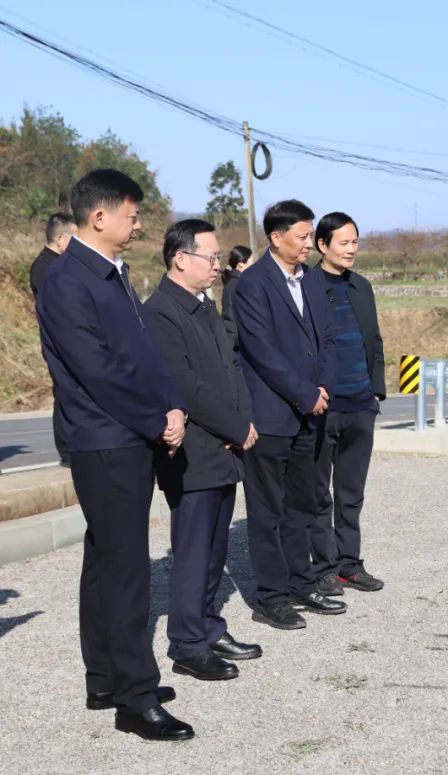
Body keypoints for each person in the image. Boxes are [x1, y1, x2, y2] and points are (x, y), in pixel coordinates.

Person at [36, 169, 193, 741]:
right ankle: (135, 698)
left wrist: (172, 404)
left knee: (105, 560)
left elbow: (146, 354)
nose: (139, 224)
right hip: (104, 440)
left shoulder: (112, 274)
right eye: (131, 214)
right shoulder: (67, 280)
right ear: (98, 217)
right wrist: (156, 420)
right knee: (126, 569)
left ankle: (105, 678)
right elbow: (98, 372)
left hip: (130, 434)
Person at [144, 219, 263, 683]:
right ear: (180, 259)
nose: (218, 265)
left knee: (214, 550)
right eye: (210, 258)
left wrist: (245, 420)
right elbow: (186, 387)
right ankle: (187, 642)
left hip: (226, 446)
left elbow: (231, 369)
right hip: (194, 452)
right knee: (193, 552)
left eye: (217, 258)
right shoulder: (161, 312)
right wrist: (236, 425)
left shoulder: (203, 306)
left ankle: (208, 625)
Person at [233, 200, 345, 630]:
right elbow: (262, 351)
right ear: (276, 237)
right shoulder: (252, 285)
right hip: (273, 413)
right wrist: (303, 393)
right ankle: (271, 596)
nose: (307, 244)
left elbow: (329, 339)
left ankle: (302, 582)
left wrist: (324, 389)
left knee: (303, 504)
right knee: (267, 510)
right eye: (301, 236)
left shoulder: (313, 280)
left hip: (311, 411)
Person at [302, 212, 386, 598]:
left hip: (360, 405)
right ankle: (324, 567)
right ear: (322, 245)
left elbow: (376, 341)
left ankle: (350, 563)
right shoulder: (306, 287)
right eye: (344, 242)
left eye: (355, 242)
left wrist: (376, 392)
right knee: (319, 494)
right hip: (323, 408)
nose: (352, 249)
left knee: (351, 493)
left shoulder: (362, 287)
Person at [30, 212, 78, 466]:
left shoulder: (59, 265)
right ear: (60, 239)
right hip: (57, 341)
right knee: (64, 391)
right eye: (74, 237)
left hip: (66, 339)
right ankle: (67, 450)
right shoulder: (44, 268)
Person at [30, 212, 77, 296]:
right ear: (59, 239)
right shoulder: (42, 268)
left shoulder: (66, 261)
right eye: (75, 238)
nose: (78, 242)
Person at [221, 244, 252, 350]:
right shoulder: (238, 285)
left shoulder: (234, 282)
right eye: (252, 262)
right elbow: (230, 315)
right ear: (240, 265)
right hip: (238, 343)